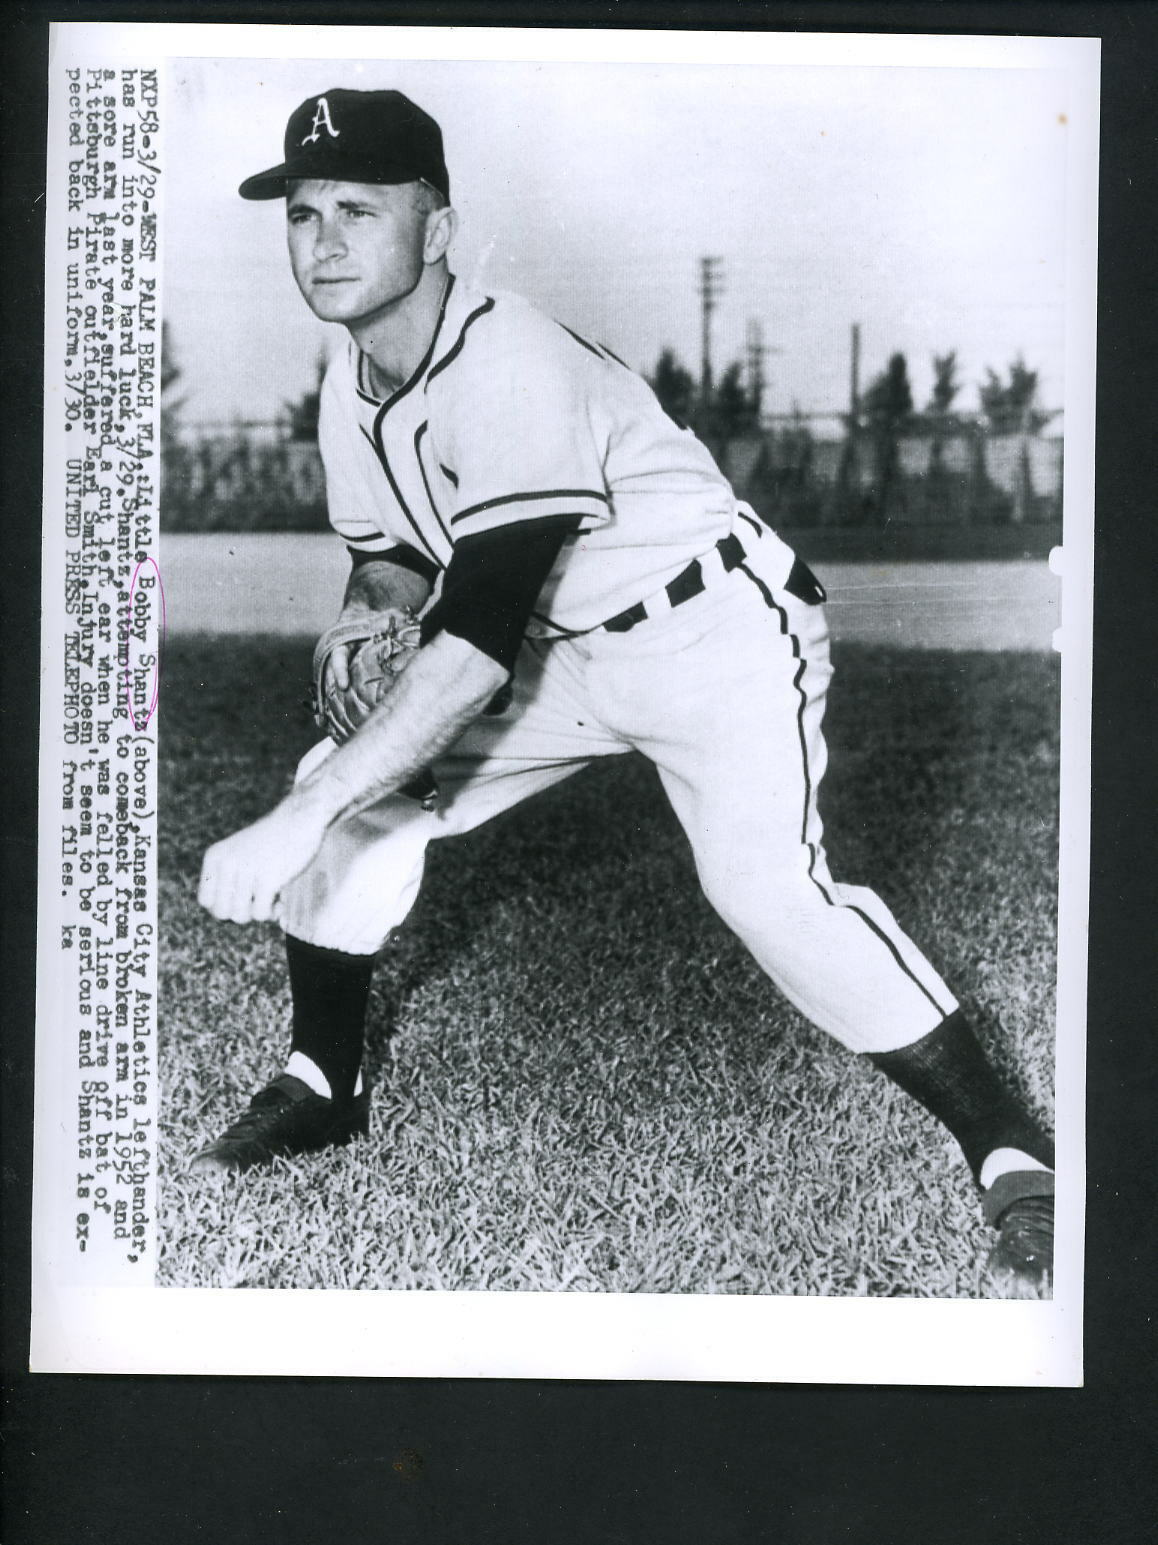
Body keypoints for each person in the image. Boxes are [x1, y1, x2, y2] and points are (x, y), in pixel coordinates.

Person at [194, 88, 1055, 1288]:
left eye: (357, 208)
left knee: (769, 894)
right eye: (301, 213)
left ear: (435, 232)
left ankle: (1008, 1149)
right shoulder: (354, 381)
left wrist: (304, 811)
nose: (323, 239)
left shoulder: (508, 359)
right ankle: (322, 1082)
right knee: (360, 803)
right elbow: (390, 552)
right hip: (560, 649)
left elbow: (479, 644)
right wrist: (365, 612)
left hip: (711, 633)